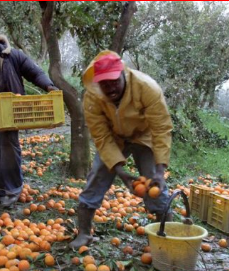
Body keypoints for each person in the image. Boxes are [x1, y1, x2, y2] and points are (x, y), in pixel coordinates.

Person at [69, 50, 174, 249]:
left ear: (123, 74)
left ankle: (165, 235)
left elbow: (161, 129)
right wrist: (120, 172)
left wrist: (160, 171)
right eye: (104, 84)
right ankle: (83, 233)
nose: (110, 88)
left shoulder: (146, 88)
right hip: (114, 137)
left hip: (144, 135)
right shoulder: (93, 97)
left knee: (153, 181)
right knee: (98, 174)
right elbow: (101, 135)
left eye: (114, 81)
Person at [0, 31, 57, 207]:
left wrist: (48, 86)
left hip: (11, 111)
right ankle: (0, 192)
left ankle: (13, 190)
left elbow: (34, 73)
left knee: (9, 149)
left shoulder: (12, 56)